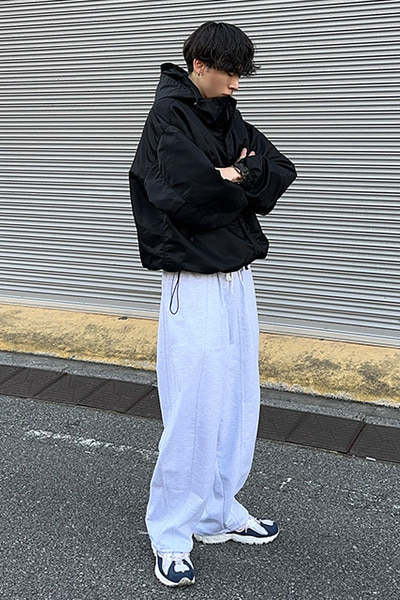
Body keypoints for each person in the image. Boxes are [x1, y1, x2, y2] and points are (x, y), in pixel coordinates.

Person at [129, 21, 297, 587]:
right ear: (199, 65)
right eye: (229, 73)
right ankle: (171, 532)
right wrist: (232, 181)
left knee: (236, 396)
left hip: (236, 276)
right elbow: (188, 196)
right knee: (194, 406)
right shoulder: (168, 117)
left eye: (241, 75)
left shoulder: (229, 116)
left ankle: (218, 511)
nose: (236, 84)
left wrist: (236, 173)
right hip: (192, 279)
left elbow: (279, 170)